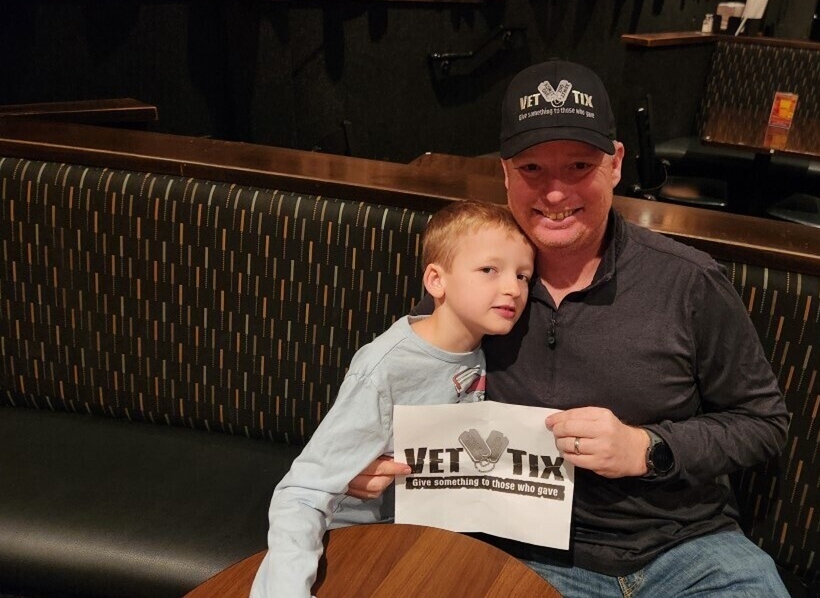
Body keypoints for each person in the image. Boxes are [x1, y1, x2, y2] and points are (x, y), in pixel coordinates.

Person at [348, 59, 792, 597]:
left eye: (579, 166)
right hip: (521, 551)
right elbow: (407, 385)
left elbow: (763, 422)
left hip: (687, 548)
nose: (555, 194)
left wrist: (646, 447)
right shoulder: (469, 277)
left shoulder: (689, 281)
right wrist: (368, 458)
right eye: (532, 169)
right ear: (505, 174)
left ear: (616, 164)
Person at [250, 199, 534, 598]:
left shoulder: (482, 348)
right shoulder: (384, 369)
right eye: (490, 270)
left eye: (523, 276)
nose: (513, 288)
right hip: (358, 540)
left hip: (432, 539)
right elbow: (303, 493)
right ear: (436, 281)